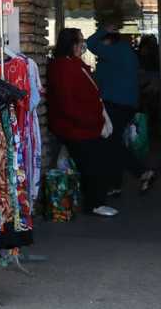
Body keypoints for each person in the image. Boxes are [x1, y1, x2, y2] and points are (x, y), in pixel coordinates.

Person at [47, 28, 120, 217]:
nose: (83, 44)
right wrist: (87, 120)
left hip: (83, 125)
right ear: (72, 44)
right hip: (77, 127)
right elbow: (67, 101)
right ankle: (95, 203)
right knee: (93, 164)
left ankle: (95, 201)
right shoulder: (64, 66)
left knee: (95, 162)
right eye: (80, 41)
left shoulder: (72, 63)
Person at [85, 25, 156, 195]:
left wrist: (105, 30)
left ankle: (143, 172)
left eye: (103, 42)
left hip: (116, 103)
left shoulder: (116, 51)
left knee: (111, 142)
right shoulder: (121, 52)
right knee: (113, 142)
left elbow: (90, 44)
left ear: (108, 41)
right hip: (122, 103)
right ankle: (115, 185)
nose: (101, 47)